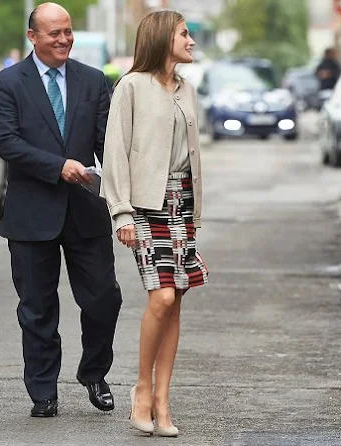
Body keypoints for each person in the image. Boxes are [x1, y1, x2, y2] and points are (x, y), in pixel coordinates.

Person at [0, 2, 122, 418]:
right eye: (54, 33)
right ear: (33, 36)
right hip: (31, 215)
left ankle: (94, 373)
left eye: (68, 31)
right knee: (37, 309)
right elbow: (7, 142)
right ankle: (43, 390)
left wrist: (124, 192)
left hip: (85, 211)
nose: (64, 39)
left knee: (104, 300)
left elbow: (107, 145)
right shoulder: (7, 82)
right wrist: (57, 166)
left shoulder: (94, 80)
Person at [100, 10, 208, 437]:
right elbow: (115, 152)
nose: (191, 41)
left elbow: (193, 158)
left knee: (175, 298)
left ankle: (163, 400)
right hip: (146, 205)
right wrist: (121, 211)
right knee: (160, 298)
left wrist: (195, 212)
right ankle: (142, 390)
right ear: (164, 38)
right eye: (184, 34)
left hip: (182, 202)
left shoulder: (187, 89)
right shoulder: (130, 86)